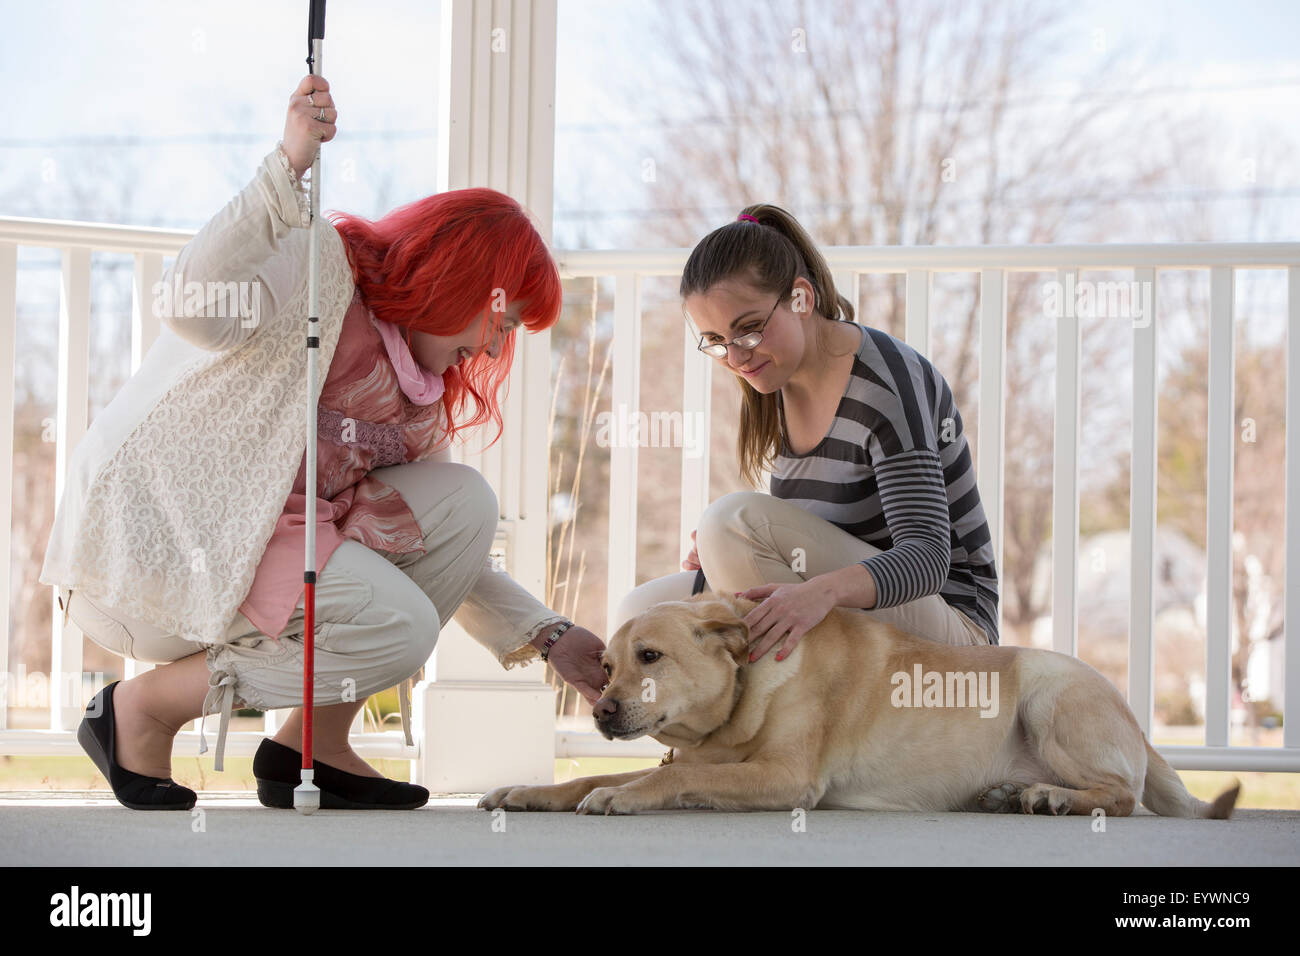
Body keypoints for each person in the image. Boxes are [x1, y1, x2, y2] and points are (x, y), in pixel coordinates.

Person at [40, 74, 606, 811]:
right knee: (397, 627)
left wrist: (548, 632)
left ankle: (312, 742)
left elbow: (444, 551)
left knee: (465, 503)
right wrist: (287, 167)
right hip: (158, 551)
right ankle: (141, 710)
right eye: (502, 318)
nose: (497, 345)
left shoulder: (420, 405)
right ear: (458, 276)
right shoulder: (322, 273)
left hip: (269, 555)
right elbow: (190, 304)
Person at [614, 205, 1000, 660]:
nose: (736, 357)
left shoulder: (884, 385)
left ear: (801, 298)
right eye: (716, 341)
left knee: (729, 521)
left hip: (952, 627)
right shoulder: (777, 381)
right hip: (859, 608)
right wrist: (725, 553)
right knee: (636, 618)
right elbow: (819, 533)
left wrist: (818, 590)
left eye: (749, 329)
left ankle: (789, 720)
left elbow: (927, 559)